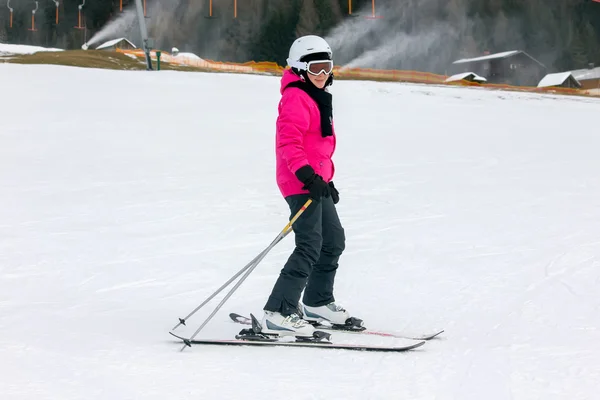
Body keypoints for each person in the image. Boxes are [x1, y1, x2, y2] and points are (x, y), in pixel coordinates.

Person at [261, 35, 352, 337]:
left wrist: (327, 180)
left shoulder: (316, 97)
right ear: (300, 69)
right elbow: (290, 142)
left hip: (315, 181)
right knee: (310, 243)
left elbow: (317, 147)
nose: (323, 75)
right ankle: (279, 310)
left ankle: (317, 301)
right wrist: (308, 177)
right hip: (298, 181)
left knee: (333, 239)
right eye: (316, 68)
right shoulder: (297, 97)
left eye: (327, 67)